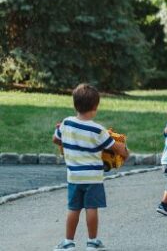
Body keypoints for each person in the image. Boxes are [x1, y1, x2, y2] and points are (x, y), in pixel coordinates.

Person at [52, 84, 129, 251]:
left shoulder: (66, 123)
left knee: (73, 209)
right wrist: (125, 151)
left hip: (74, 177)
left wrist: (64, 137)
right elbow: (117, 148)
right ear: (95, 107)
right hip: (93, 178)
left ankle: (68, 242)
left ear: (75, 105)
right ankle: (92, 241)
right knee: (91, 208)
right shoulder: (98, 130)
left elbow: (56, 140)